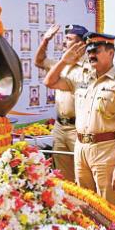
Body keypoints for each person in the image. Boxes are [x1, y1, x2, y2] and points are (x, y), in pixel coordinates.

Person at [44, 32, 115, 204]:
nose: (91, 54)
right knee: (84, 203)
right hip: (81, 147)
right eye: (89, 50)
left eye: (97, 50)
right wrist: (64, 61)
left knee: (107, 206)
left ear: (110, 53)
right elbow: (49, 82)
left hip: (105, 150)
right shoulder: (82, 79)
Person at [34, 23, 89, 182]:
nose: (64, 42)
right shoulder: (60, 65)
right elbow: (39, 61)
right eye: (64, 38)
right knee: (63, 177)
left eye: (69, 39)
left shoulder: (88, 68)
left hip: (77, 128)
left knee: (83, 176)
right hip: (60, 127)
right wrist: (45, 39)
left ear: (81, 44)